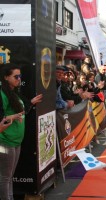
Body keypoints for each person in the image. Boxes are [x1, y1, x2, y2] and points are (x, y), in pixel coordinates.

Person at [0, 63, 43, 200]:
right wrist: (12, 117)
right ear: (6, 77)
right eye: (16, 76)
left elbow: (21, 110)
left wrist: (30, 103)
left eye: (20, 76)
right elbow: (1, 118)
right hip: (5, 140)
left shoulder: (14, 92)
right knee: (5, 177)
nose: (19, 79)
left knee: (9, 176)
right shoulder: (2, 94)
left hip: (16, 140)